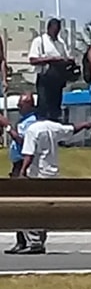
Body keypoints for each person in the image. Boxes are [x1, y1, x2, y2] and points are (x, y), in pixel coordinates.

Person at [9, 111, 91, 255]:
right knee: (43, 209)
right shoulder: (53, 127)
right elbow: (72, 129)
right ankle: (38, 241)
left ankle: (34, 242)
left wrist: (22, 172)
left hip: (37, 174)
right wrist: (85, 124)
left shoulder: (32, 130)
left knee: (27, 209)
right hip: (52, 174)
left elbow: (29, 154)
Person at [1, 92, 37, 254]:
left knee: (24, 204)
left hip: (24, 163)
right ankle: (20, 241)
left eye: (21, 105)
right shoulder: (23, 121)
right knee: (16, 204)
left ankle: (31, 241)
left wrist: (8, 127)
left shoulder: (31, 122)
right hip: (16, 163)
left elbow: (24, 142)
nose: (18, 107)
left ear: (30, 105)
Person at [29, 17, 75, 121]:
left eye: (58, 29)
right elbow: (32, 60)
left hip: (58, 79)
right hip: (45, 79)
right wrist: (51, 59)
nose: (56, 31)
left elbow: (66, 57)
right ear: (49, 28)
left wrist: (67, 60)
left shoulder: (61, 43)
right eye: (54, 29)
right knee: (44, 107)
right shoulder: (39, 41)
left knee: (55, 108)